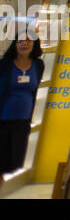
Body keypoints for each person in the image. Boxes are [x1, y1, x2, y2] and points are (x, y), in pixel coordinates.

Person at [0, 30, 44, 175]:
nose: (24, 43)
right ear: (15, 44)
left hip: (24, 122)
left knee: (17, 162)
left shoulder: (38, 65)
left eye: (28, 41)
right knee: (2, 163)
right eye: (20, 41)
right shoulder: (5, 65)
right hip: (3, 121)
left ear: (34, 44)